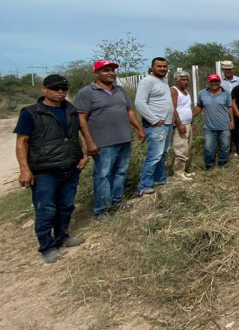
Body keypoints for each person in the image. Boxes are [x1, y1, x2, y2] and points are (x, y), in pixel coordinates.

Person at [14, 75, 88, 263]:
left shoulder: (70, 110)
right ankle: (47, 246)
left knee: (66, 205)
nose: (60, 91)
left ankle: (62, 236)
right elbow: (22, 142)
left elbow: (74, 135)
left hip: (70, 166)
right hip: (44, 170)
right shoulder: (31, 113)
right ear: (44, 89)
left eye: (64, 88)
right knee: (46, 209)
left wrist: (83, 153)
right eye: (56, 88)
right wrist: (24, 169)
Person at [75, 59, 146, 216]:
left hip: (124, 139)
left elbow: (129, 111)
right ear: (96, 73)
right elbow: (81, 119)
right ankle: (102, 209)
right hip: (103, 143)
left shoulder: (120, 90)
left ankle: (116, 203)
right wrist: (89, 142)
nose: (111, 73)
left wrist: (139, 129)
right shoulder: (87, 93)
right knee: (103, 175)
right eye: (106, 70)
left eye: (112, 70)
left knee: (120, 172)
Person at [135, 57, 174, 196]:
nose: (163, 68)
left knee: (163, 153)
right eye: (159, 66)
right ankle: (144, 185)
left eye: (165, 66)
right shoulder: (147, 81)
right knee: (154, 155)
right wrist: (154, 120)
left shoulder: (163, 81)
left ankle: (160, 179)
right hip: (156, 125)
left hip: (167, 124)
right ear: (152, 67)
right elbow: (139, 103)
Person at [193, 74, 234, 169]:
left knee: (225, 147)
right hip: (209, 127)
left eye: (216, 81)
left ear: (220, 82)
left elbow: (229, 108)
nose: (214, 83)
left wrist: (232, 121)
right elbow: (199, 107)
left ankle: (222, 164)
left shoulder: (226, 93)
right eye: (212, 81)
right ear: (209, 82)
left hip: (224, 126)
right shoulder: (202, 93)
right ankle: (209, 166)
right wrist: (191, 117)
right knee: (209, 148)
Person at [170, 70, 195, 180]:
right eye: (183, 80)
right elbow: (173, 108)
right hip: (180, 125)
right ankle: (178, 173)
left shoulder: (186, 92)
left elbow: (187, 109)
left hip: (187, 123)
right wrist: (179, 123)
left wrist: (191, 123)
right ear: (177, 80)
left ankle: (182, 171)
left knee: (186, 148)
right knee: (180, 149)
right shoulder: (174, 91)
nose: (185, 82)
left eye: (187, 79)